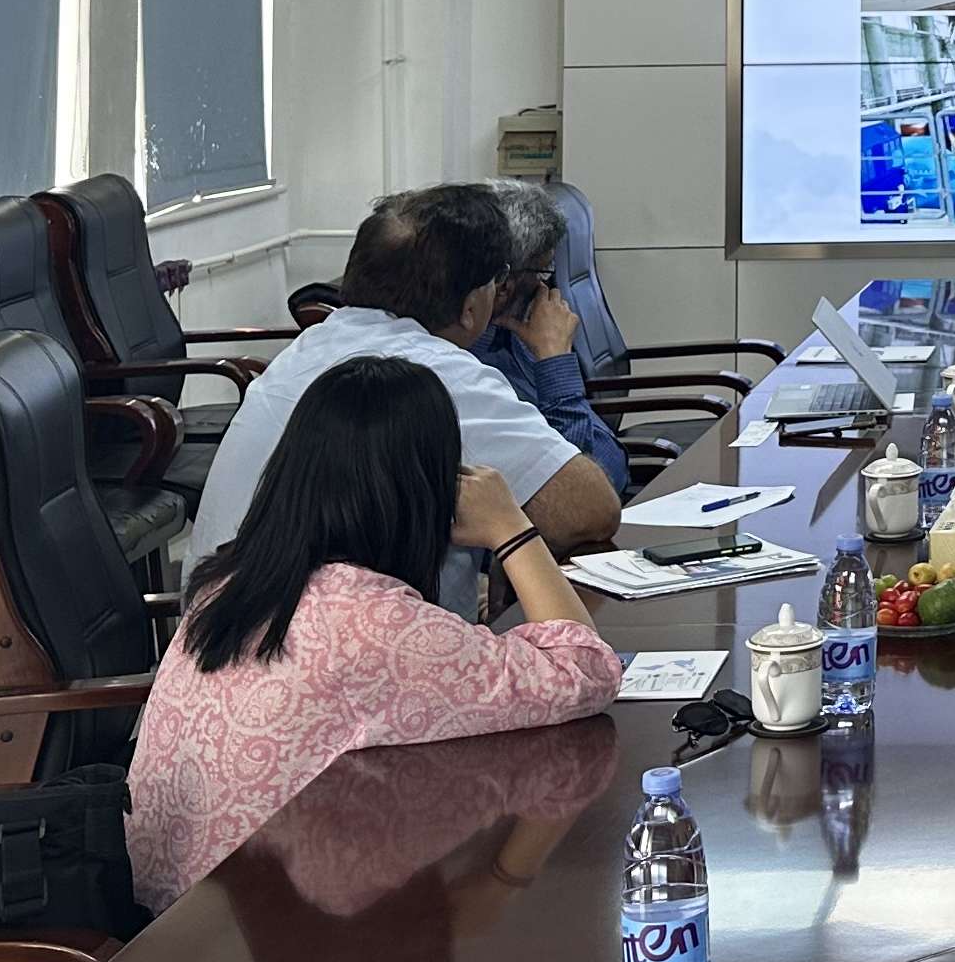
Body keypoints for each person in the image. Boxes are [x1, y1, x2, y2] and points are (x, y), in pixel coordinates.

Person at [131, 354, 625, 908]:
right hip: (264, 933)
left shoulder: (229, 581)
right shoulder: (373, 622)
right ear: (424, 491)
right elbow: (585, 670)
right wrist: (510, 526)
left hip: (180, 919)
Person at [190, 186, 625, 570]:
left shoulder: (307, 348)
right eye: (496, 281)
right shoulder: (439, 376)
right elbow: (590, 511)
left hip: (222, 624)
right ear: (471, 307)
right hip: (319, 634)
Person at [471, 180, 635, 497]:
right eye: (545, 271)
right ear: (504, 285)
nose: (548, 288)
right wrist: (554, 359)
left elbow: (610, 458)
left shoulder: (516, 333)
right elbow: (593, 485)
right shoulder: (479, 372)